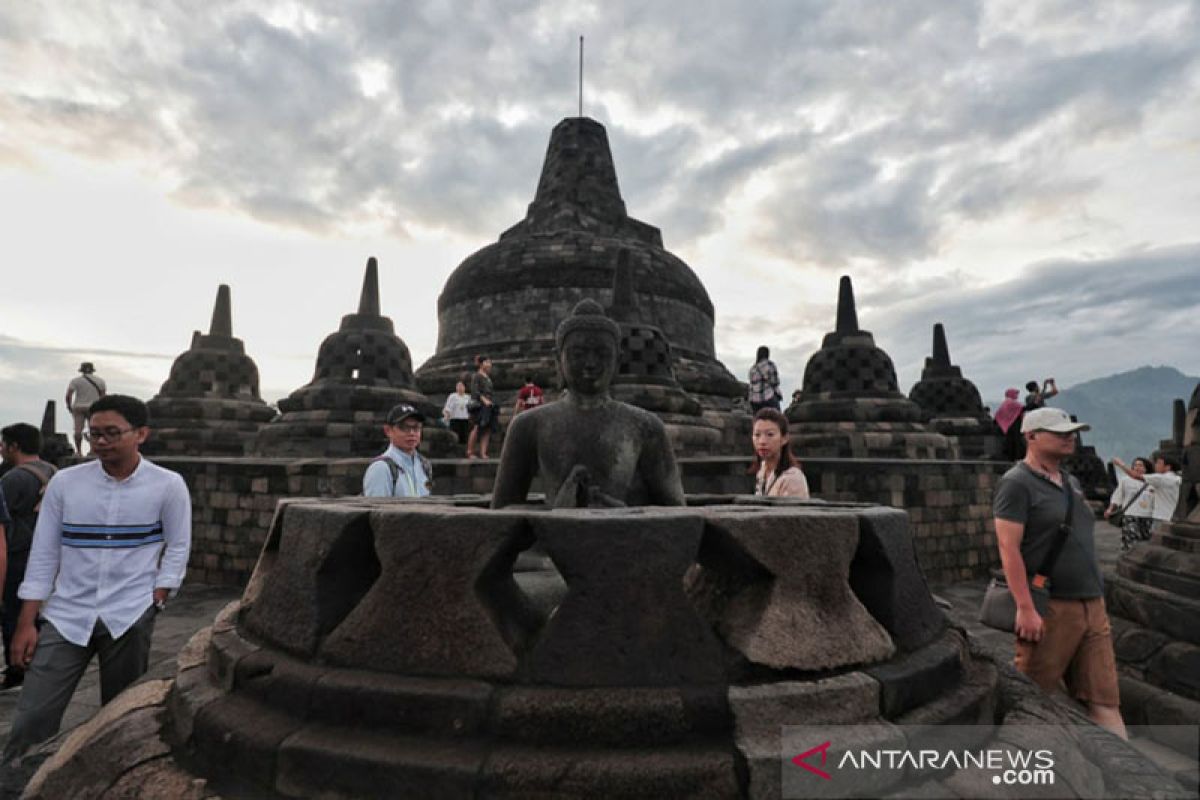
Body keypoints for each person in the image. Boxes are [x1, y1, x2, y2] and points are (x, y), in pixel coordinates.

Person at [3, 395, 191, 761]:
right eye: (94, 435)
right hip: (66, 613)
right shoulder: (66, 484)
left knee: (119, 719)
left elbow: (179, 545)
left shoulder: (167, 485)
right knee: (31, 719)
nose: (101, 442)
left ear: (141, 434)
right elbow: (44, 554)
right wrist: (26, 621)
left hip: (130, 613)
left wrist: (160, 595)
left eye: (111, 433)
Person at [992, 406, 1125, 738]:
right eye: (1060, 432)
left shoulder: (1071, 481)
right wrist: (1024, 607)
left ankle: (1128, 782)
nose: (1070, 438)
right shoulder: (1016, 483)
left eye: (1072, 432)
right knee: (1031, 697)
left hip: (1092, 603)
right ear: (1031, 436)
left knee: (1105, 701)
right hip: (1051, 606)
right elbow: (1008, 548)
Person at [491, 300, 685, 509]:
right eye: (577, 354)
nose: (590, 364)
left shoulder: (645, 426)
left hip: (625, 539)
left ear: (617, 361)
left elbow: (676, 511)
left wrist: (622, 513)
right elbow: (501, 515)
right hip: (555, 540)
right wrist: (558, 510)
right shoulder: (528, 425)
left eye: (602, 354)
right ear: (559, 359)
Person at [0, 423, 57, 690]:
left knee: (12, 612)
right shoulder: (54, 472)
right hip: (45, 554)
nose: (1, 450)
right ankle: (34, 660)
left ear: (14, 447)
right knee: (35, 613)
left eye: (3, 444)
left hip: (17, 554)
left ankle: (17, 668)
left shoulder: (13, 479)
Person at [362, 404, 433, 498]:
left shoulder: (424, 465)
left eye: (416, 427)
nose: (411, 433)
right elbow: (378, 510)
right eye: (404, 427)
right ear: (388, 430)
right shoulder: (381, 468)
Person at [750, 408, 809, 498]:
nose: (762, 441)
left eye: (770, 434)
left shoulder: (792, 478)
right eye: (757, 435)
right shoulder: (762, 470)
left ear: (784, 438)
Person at [1113, 453, 1182, 529]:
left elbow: (1135, 476)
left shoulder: (1162, 478)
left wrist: (1121, 464)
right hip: (1169, 516)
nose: (1155, 465)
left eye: (1159, 463)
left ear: (1168, 467)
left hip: (1161, 517)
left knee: (1156, 539)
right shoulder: (1176, 478)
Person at [1104, 456, 1155, 551]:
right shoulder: (1126, 480)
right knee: (1131, 541)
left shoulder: (1151, 482)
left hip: (1147, 516)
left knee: (1145, 542)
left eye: (1140, 465)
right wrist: (1110, 508)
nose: (1137, 468)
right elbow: (1117, 495)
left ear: (1146, 468)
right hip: (1130, 515)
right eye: (1135, 465)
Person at [65, 361, 107, 456]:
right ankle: (92, 450)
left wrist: (69, 406)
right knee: (93, 430)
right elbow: (103, 397)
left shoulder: (75, 381)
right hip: (94, 407)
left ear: (81, 370)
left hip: (78, 406)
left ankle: (79, 451)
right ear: (92, 370)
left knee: (77, 430)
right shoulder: (100, 381)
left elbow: (68, 395)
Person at [466, 356, 497, 460]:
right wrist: (484, 400)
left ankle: (483, 452)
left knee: (487, 429)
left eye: (490, 362)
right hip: (479, 405)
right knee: (477, 427)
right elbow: (475, 391)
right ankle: (470, 452)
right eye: (487, 362)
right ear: (481, 364)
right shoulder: (477, 376)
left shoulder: (488, 378)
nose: (489, 364)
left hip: (489, 405)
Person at [748, 346, 782, 413]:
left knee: (759, 420)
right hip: (768, 397)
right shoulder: (769, 364)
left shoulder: (752, 368)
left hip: (754, 400)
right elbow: (775, 381)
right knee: (777, 419)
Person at [442, 380, 472, 445]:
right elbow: (447, 407)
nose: (459, 387)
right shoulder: (452, 396)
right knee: (455, 438)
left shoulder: (468, 397)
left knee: (464, 438)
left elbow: (470, 408)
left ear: (465, 387)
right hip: (455, 419)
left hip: (465, 420)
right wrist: (446, 415)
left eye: (461, 386)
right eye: (458, 386)